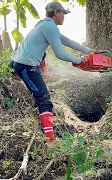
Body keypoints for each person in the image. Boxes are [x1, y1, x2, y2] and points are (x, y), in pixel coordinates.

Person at [10, 1, 97, 143]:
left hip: (16, 61)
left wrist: (89, 51)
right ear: (56, 12)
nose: (64, 17)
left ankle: (43, 74)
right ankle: (50, 139)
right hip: (26, 66)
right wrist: (80, 60)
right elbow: (60, 54)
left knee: (42, 54)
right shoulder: (50, 26)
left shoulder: (44, 25)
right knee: (44, 99)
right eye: (63, 13)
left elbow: (66, 41)